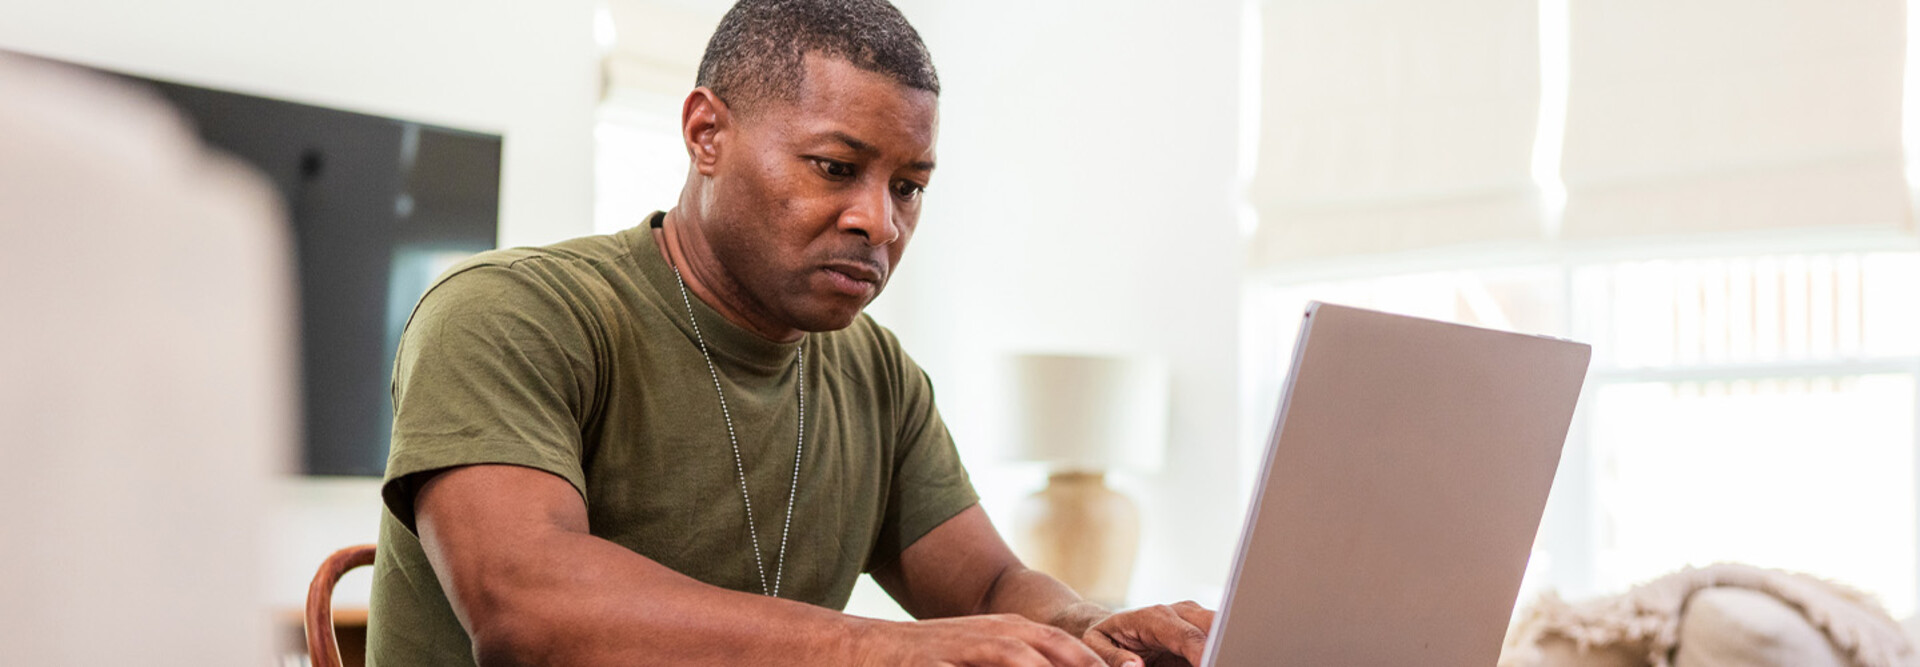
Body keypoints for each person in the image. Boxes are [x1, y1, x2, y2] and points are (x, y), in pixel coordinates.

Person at [366, 1, 1215, 665]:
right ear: (708, 134)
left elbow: (988, 583)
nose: (879, 221)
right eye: (836, 168)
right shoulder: (510, 312)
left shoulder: (877, 372)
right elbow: (528, 611)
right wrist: (887, 648)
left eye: (910, 186)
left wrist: (1091, 625)